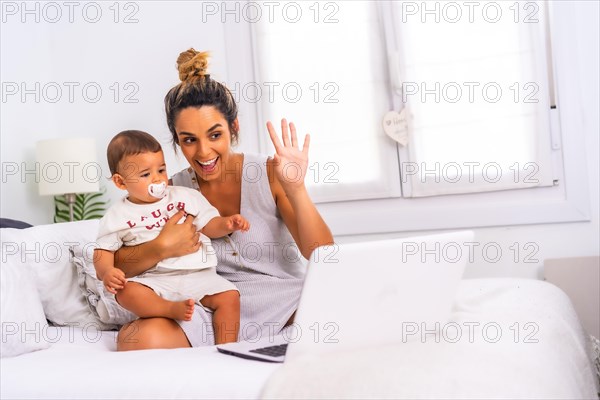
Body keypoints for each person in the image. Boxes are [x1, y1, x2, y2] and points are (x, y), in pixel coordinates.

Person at [113, 49, 334, 350]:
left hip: (284, 301)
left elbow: (323, 255)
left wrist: (296, 189)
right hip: (213, 306)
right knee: (133, 339)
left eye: (215, 135)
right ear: (177, 140)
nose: (203, 153)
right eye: (189, 140)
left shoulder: (270, 173)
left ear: (234, 127)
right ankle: (222, 354)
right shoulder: (170, 190)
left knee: (342, 308)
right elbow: (120, 268)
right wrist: (161, 246)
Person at [94, 130, 249, 344]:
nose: (158, 179)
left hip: (199, 274)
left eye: (161, 169)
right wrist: (107, 272)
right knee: (126, 292)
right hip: (154, 280)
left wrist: (227, 223)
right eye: (146, 174)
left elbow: (208, 224)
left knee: (230, 297)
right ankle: (168, 309)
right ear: (121, 182)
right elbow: (103, 251)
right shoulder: (116, 215)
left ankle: (227, 347)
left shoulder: (185, 196)